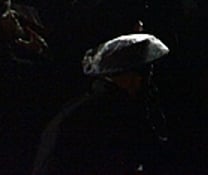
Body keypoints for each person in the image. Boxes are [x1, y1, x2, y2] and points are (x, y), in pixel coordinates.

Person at [32, 34, 170, 175]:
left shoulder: (84, 107)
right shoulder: (112, 115)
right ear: (128, 76)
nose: (147, 82)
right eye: (145, 73)